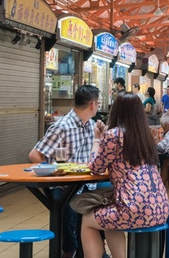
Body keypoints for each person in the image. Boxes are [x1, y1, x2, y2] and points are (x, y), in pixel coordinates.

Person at [81, 93, 169, 258]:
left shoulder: (113, 135)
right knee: (107, 220)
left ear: (116, 111)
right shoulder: (146, 136)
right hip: (161, 208)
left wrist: (97, 139)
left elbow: (96, 168)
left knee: (88, 220)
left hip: (134, 209)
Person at [29, 85, 102, 258]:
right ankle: (69, 249)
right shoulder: (62, 126)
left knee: (110, 197)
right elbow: (35, 155)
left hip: (87, 184)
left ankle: (95, 249)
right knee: (67, 210)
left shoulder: (91, 126)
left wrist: (101, 137)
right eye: (97, 103)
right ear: (92, 105)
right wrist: (53, 173)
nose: (97, 106)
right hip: (65, 186)